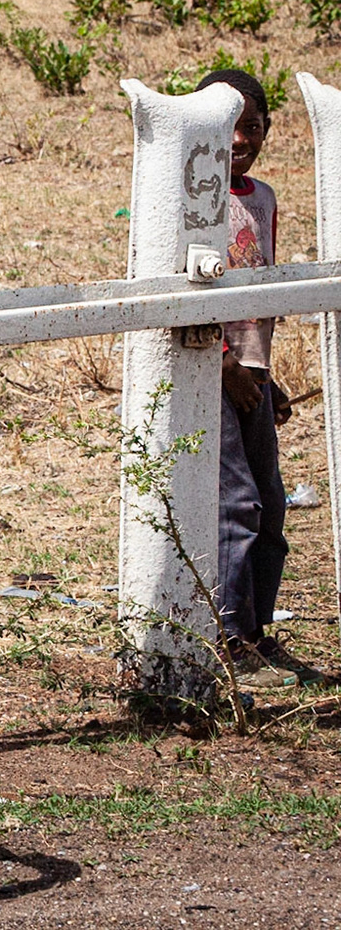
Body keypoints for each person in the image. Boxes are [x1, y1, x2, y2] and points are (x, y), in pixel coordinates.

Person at [202, 68, 322, 691]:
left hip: (251, 374)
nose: (242, 139)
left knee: (269, 507)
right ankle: (229, 642)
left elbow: (262, 292)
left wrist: (262, 376)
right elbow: (188, 293)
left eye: (254, 126)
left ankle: (256, 631)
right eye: (229, 126)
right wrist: (223, 362)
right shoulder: (195, 199)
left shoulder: (263, 198)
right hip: (210, 371)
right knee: (235, 507)